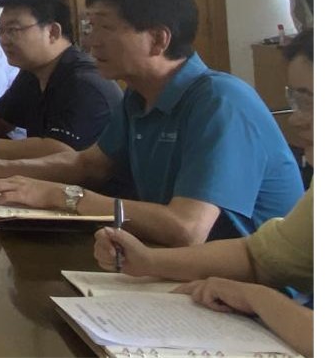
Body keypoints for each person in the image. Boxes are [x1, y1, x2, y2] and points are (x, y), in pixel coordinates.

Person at [0, 0, 302, 246]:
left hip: (255, 294)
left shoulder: (221, 101)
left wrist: (63, 196)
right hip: (178, 268)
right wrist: (0, 169)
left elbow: (187, 228)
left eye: (103, 27)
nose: (89, 40)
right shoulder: (138, 96)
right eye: (88, 26)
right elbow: (87, 164)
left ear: (158, 39)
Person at [91, 29, 313, 357]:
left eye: (309, 101)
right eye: (296, 99)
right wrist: (149, 261)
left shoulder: (221, 98)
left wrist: (256, 298)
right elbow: (259, 256)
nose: (296, 119)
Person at [0, 0, 121, 161]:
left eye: (13, 30)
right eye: (1, 31)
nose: (3, 40)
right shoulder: (33, 72)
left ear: (52, 32)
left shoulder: (84, 83)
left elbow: (60, 150)